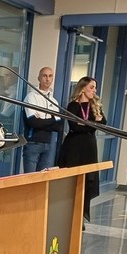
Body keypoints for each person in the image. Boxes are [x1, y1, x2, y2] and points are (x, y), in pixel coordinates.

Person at [58, 76, 106, 223]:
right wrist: (92, 124)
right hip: (74, 147)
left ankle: (81, 216)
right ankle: (68, 215)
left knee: (88, 182)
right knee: (72, 182)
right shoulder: (73, 106)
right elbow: (75, 127)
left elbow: (103, 123)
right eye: (92, 87)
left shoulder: (95, 106)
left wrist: (85, 124)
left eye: (95, 87)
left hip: (89, 147)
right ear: (83, 88)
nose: (94, 90)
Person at [23, 66, 63, 172]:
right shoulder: (31, 97)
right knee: (30, 178)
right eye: (44, 76)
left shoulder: (54, 101)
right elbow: (34, 123)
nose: (47, 79)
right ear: (39, 78)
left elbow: (58, 126)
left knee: (44, 177)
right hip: (33, 143)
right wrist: (52, 119)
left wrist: (42, 121)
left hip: (49, 144)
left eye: (50, 76)